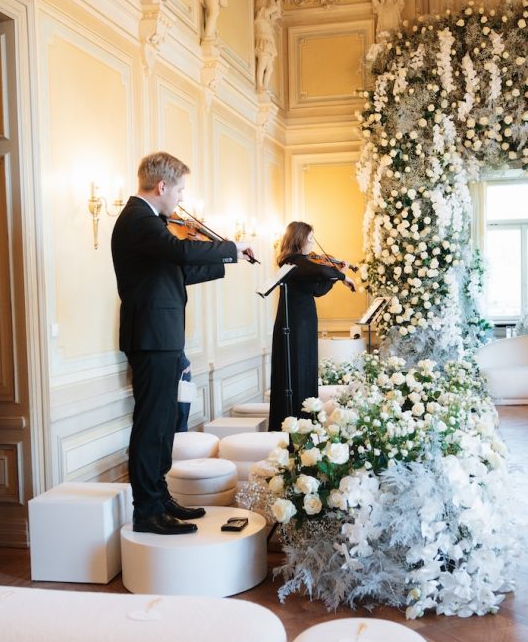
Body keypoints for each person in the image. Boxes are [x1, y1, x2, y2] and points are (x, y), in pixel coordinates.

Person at [111, 151, 254, 534]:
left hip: (162, 336)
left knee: (163, 424)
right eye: (180, 190)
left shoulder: (151, 223)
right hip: (151, 337)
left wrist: (230, 260)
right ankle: (147, 511)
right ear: (162, 186)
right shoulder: (139, 219)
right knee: (151, 424)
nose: (181, 198)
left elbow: (177, 270)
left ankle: (160, 498)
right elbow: (179, 252)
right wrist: (230, 246)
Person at [268, 222, 356, 432]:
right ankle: (294, 424)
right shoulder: (293, 261)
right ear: (299, 239)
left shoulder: (304, 264)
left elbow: (317, 290)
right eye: (309, 238)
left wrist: (337, 275)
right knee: (296, 368)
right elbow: (323, 271)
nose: (312, 242)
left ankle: (307, 422)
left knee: (306, 367)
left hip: (305, 322)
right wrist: (342, 275)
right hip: (294, 324)